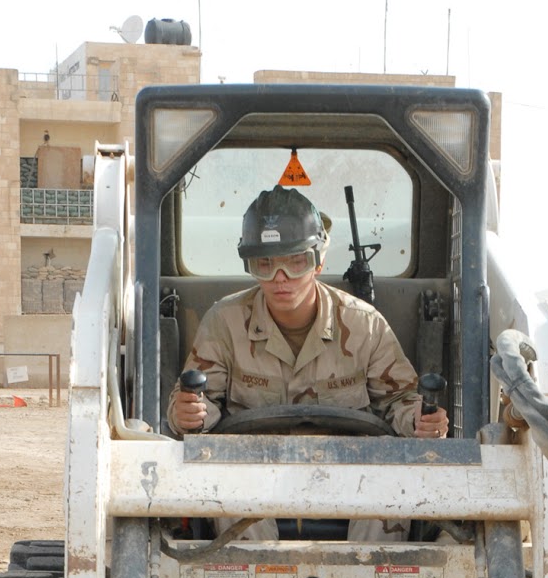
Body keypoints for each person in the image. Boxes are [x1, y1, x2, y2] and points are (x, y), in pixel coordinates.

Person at [168, 186, 449, 443]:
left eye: (296, 262)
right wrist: (189, 415)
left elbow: (399, 400)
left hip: (353, 482)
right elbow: (197, 405)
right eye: (264, 264)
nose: (280, 278)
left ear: (319, 262)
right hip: (248, 478)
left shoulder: (366, 327)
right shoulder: (224, 324)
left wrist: (419, 420)